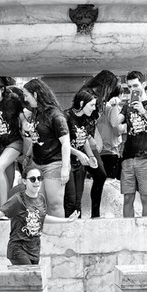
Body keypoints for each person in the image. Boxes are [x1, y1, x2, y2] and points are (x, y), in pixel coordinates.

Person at [0, 165, 78, 292]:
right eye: (32, 179)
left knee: (29, 286)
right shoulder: (18, 200)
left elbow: (43, 218)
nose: (36, 182)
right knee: (34, 284)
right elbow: (0, 212)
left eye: (39, 179)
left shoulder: (41, 199)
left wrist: (66, 222)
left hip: (34, 249)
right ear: (24, 181)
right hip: (18, 249)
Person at [23, 78, 71, 219]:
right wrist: (27, 156)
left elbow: (66, 143)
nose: (25, 99)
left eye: (27, 95)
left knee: (55, 204)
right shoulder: (36, 112)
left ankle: (59, 236)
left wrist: (64, 168)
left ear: (36, 95)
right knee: (40, 204)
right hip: (38, 164)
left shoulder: (55, 115)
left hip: (54, 164)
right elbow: (37, 139)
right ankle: (45, 236)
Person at [121, 70, 147, 218]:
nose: (133, 89)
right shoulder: (127, 105)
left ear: (143, 84)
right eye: (130, 87)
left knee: (146, 198)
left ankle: (146, 233)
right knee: (127, 198)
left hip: (146, 157)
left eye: (135, 85)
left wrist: (144, 111)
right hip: (128, 156)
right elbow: (115, 123)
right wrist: (114, 105)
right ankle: (129, 232)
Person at [87, 71, 125, 219]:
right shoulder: (103, 104)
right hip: (100, 146)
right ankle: (95, 213)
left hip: (97, 146)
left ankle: (95, 213)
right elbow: (116, 126)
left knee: (100, 178)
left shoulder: (100, 103)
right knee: (102, 178)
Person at [63, 88, 99, 218]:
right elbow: (62, 143)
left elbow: (84, 139)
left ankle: (78, 230)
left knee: (78, 201)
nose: (94, 108)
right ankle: (67, 229)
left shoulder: (86, 119)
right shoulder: (66, 117)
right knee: (70, 200)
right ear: (82, 103)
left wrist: (91, 156)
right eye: (92, 105)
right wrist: (78, 153)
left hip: (80, 164)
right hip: (67, 162)